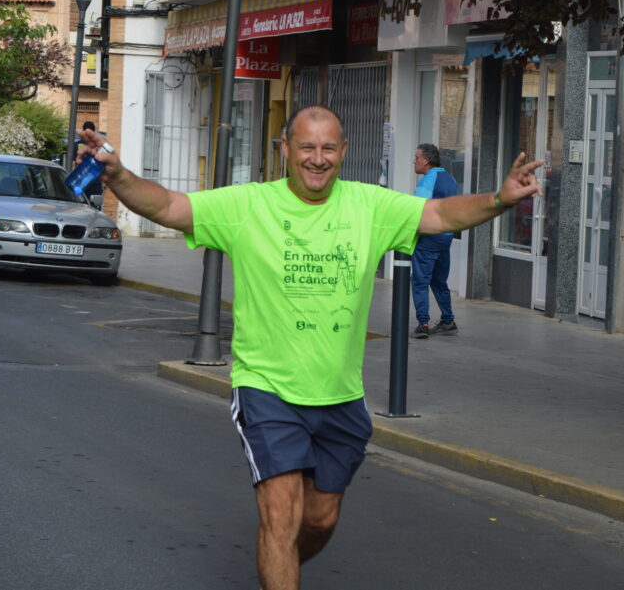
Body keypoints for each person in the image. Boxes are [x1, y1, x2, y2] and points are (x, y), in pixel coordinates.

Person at [75, 106, 543, 590]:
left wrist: (500, 198)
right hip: (268, 390)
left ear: (343, 152)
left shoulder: (369, 206)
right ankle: (278, 561)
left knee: (318, 521)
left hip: (340, 396)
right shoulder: (249, 205)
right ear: (285, 150)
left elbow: (440, 213)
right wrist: (119, 175)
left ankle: (279, 565)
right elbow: (169, 206)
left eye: (327, 149)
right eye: (306, 147)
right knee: (281, 518)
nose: (317, 159)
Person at [409, 143, 459, 339]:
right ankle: (448, 320)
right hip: (446, 237)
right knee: (439, 281)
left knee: (420, 282)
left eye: (416, 157)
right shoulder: (450, 178)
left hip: (429, 238)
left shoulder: (428, 180)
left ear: (426, 161)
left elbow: (417, 209)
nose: (414, 161)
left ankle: (423, 324)